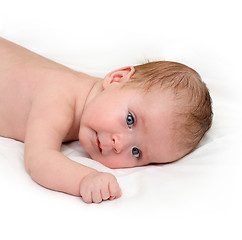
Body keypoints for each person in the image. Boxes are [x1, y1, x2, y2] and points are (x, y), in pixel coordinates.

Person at [0, 37, 213, 203]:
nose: (119, 144)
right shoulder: (58, 98)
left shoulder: (95, 98)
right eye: (130, 120)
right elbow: (39, 160)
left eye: (136, 152)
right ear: (117, 78)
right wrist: (85, 179)